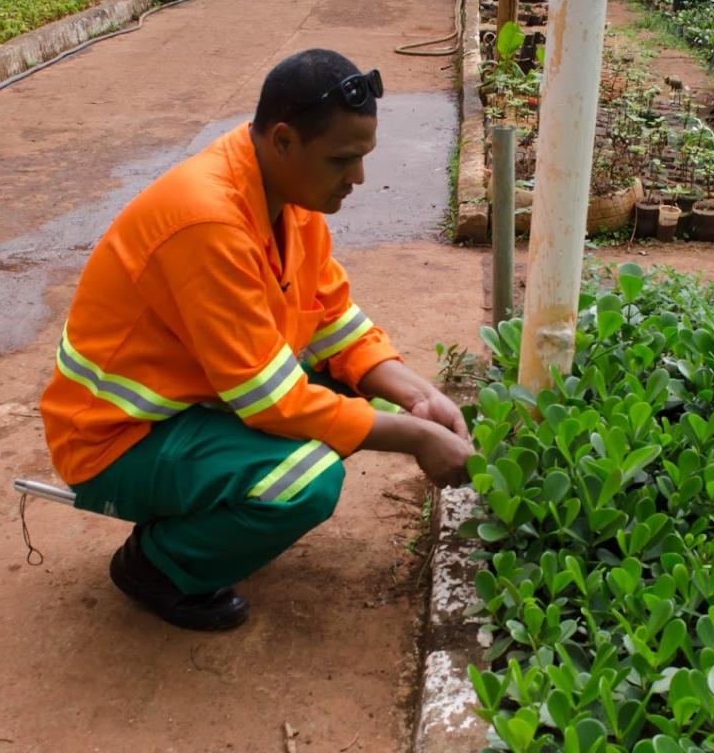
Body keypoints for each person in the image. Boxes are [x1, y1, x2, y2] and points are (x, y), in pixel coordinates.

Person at [38, 49, 474, 631]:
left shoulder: (289, 196)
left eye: (363, 157)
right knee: (306, 481)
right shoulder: (208, 223)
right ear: (284, 141)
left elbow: (330, 321)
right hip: (114, 440)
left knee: (349, 402)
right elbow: (272, 401)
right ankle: (157, 566)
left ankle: (209, 517)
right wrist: (416, 437)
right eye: (342, 159)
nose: (359, 179)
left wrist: (420, 397)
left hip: (187, 406)